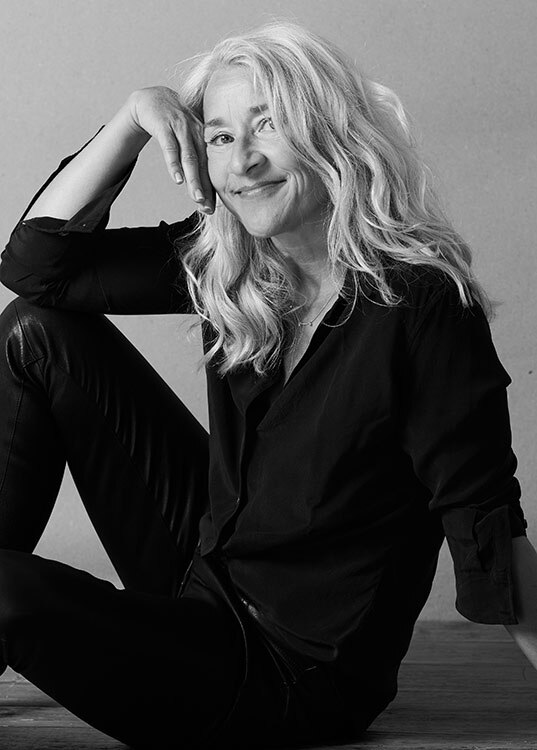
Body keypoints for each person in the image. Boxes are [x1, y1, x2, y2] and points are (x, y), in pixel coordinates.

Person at [0, 19, 536, 750]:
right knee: (35, 332)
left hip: (288, 671)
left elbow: (484, 522)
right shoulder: (237, 264)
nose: (243, 162)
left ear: (331, 135)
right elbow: (35, 269)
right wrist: (130, 121)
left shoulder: (421, 305)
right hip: (205, 577)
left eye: (268, 125)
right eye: (220, 137)